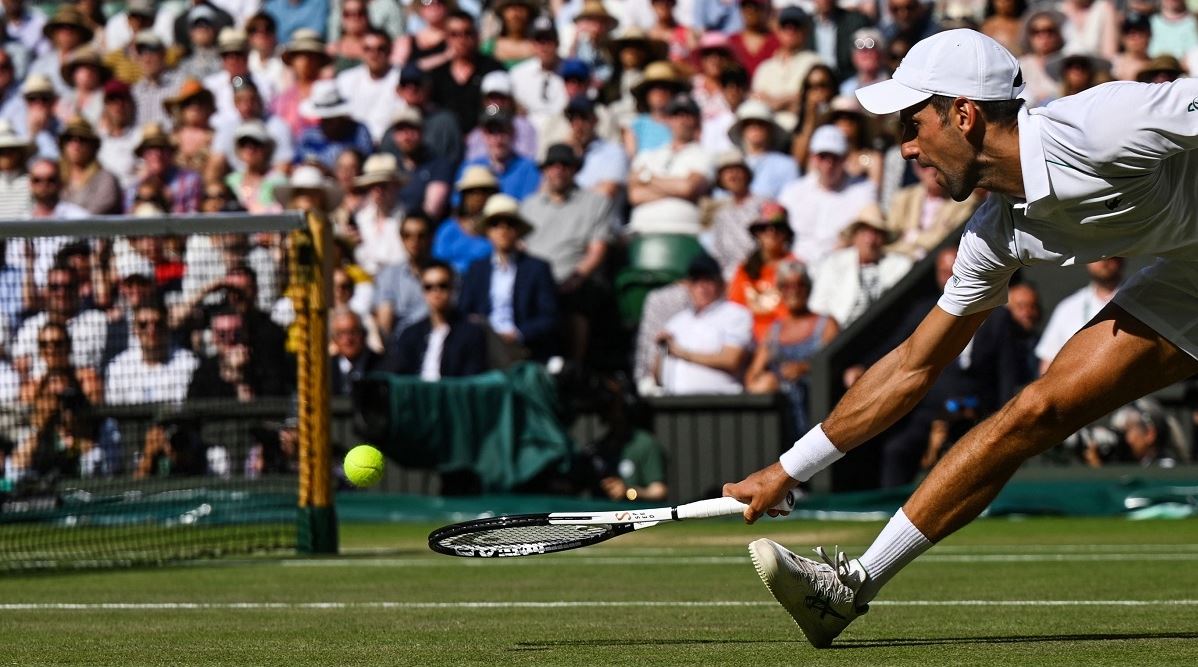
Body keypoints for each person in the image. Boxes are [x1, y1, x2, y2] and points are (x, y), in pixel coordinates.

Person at [724, 29, 1198, 649]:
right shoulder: (992, 234)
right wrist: (788, 469)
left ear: (965, 115)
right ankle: (848, 591)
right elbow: (913, 367)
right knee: (1036, 409)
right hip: (1189, 274)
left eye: (913, 124)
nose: (906, 148)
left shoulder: (1104, 124)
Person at [520, 143, 615, 361]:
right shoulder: (528, 206)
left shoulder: (595, 203)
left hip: (573, 276)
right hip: (535, 278)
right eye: (552, 165)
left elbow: (597, 249)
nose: (558, 170)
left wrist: (577, 277)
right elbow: (520, 246)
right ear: (544, 171)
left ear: (574, 169)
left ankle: (574, 366)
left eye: (565, 165)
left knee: (577, 299)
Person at [459, 193, 558, 366]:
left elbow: (549, 317)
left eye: (510, 223)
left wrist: (518, 334)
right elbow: (465, 312)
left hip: (523, 348)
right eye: (495, 224)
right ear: (488, 231)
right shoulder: (477, 270)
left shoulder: (537, 269)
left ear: (518, 229)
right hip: (483, 345)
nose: (503, 230)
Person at [744, 260, 838, 434]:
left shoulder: (826, 325)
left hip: (819, 415)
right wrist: (771, 382)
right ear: (780, 291)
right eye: (786, 286)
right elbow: (752, 375)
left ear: (808, 288)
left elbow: (837, 365)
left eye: (799, 285)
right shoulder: (773, 330)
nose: (793, 291)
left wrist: (804, 368)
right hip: (782, 422)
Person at [778, 124, 877, 268]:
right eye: (822, 157)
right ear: (813, 157)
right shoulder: (793, 191)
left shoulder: (864, 190)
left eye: (834, 157)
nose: (828, 164)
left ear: (845, 159)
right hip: (796, 266)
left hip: (841, 266)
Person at [653, 253, 752, 395]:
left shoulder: (736, 315)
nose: (702, 287)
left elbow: (731, 360)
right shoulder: (675, 322)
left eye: (708, 280)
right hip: (674, 403)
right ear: (688, 285)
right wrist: (662, 351)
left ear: (721, 284)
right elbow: (658, 378)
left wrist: (682, 353)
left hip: (720, 403)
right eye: (696, 281)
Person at [384, 260, 489, 379]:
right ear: (423, 291)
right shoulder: (410, 334)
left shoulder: (472, 334)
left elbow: (470, 380)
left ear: (453, 288)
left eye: (442, 285)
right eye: (428, 287)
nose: (436, 292)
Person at [627, 93, 713, 236]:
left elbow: (688, 188)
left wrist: (647, 178)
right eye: (676, 115)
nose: (682, 120)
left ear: (697, 121)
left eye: (688, 115)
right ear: (668, 120)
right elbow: (635, 195)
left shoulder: (704, 155)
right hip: (641, 231)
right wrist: (675, 190)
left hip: (682, 234)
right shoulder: (648, 155)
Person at [1035, 258, 1124, 376]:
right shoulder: (1068, 307)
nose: (1104, 261)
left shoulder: (1140, 301)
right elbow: (1047, 363)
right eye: (1097, 255)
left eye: (1111, 255)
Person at [727, 201, 797, 342]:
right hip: (745, 340)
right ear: (757, 233)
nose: (771, 232)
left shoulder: (795, 266)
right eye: (764, 228)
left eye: (778, 227)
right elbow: (734, 309)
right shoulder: (744, 269)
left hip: (782, 340)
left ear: (786, 234)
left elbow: (794, 314)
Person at [105, 302, 199, 405]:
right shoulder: (118, 368)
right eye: (143, 325)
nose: (152, 330)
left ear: (167, 326)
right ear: (134, 330)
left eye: (158, 324)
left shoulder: (188, 363)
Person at [373, 212, 434, 342]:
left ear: (431, 237)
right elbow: (384, 326)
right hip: (402, 346)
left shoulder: (445, 275)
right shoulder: (388, 275)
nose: (414, 241)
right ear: (401, 238)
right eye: (408, 235)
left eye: (421, 235)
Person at [335, 27, 399, 144]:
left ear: (390, 50)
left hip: (390, 144)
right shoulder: (346, 79)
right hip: (354, 145)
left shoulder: (401, 79)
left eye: (381, 49)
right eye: (368, 49)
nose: (374, 54)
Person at [329, 307, 381, 397]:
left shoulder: (381, 365)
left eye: (353, 332)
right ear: (334, 339)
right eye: (341, 334)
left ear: (363, 334)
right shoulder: (326, 369)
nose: (348, 339)